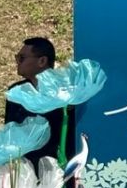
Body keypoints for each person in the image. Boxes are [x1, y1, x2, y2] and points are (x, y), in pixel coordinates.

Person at [5, 36, 77, 169]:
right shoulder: (16, 92)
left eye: (22, 58)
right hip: (26, 167)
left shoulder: (65, 92)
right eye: (17, 58)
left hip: (58, 165)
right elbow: (10, 130)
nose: (17, 63)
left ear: (42, 61)